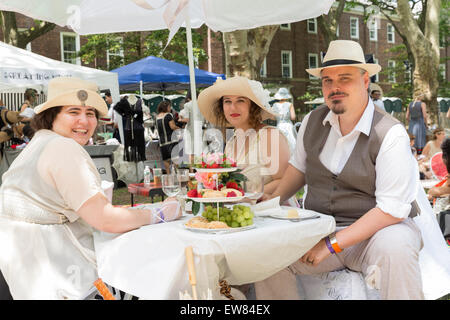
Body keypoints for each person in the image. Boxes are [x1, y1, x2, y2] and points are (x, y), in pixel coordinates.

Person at [254, 40, 424, 300]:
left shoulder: (390, 133)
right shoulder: (312, 121)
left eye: (345, 78)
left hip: (376, 235)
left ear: (365, 81)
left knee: (397, 246)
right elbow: (299, 169)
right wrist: (270, 200)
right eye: (327, 80)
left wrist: (331, 245)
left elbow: (391, 210)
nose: (335, 88)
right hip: (321, 227)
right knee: (267, 257)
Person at [0, 77, 182, 299]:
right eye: (73, 112)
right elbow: (105, 219)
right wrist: (161, 213)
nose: (84, 122)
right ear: (52, 115)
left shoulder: (40, 142)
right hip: (66, 277)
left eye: (90, 114)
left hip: (28, 274)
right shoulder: (64, 148)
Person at [197, 76, 297, 206]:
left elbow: (284, 180)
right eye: (227, 101)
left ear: (253, 106)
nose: (233, 108)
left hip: (274, 215)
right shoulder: (232, 142)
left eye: (240, 101)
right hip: (241, 216)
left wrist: (245, 196)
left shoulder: (269, 135)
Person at [178, 90, 206, 164]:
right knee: (199, 152)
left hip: (190, 130)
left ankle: (192, 171)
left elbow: (187, 119)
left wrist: (180, 119)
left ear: (188, 97)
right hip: (201, 130)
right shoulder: (202, 104)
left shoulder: (187, 105)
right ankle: (199, 170)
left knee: (191, 152)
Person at [156, 100, 181, 173]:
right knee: (175, 159)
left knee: (166, 160)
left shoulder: (157, 117)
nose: (170, 108)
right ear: (166, 107)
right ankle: (177, 175)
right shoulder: (168, 115)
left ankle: (168, 177)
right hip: (171, 141)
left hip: (162, 142)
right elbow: (172, 126)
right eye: (169, 107)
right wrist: (180, 128)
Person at [270, 87, 297, 154]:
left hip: (279, 126)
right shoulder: (290, 105)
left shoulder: (274, 105)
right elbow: (293, 117)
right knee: (292, 143)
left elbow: (272, 118)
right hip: (288, 126)